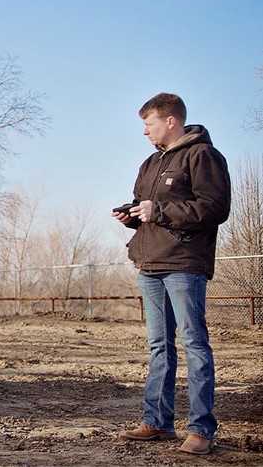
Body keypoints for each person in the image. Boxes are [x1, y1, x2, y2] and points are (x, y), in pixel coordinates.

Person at [112, 93, 231, 455]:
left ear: (170, 121)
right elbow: (149, 208)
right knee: (159, 347)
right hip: (149, 264)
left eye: (148, 123)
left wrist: (159, 210)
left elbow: (214, 208)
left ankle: (201, 430)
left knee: (194, 344)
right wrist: (134, 215)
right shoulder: (150, 163)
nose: (145, 131)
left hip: (183, 264)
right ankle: (157, 422)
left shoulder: (203, 156)